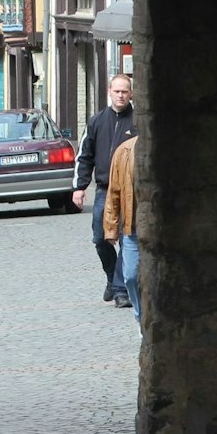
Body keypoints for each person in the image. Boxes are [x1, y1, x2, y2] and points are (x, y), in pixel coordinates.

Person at [73, 73, 137, 308]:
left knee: (126, 238)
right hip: (103, 190)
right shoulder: (96, 121)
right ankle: (112, 278)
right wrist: (79, 187)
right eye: (116, 91)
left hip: (129, 190)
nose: (120, 95)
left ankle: (120, 290)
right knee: (101, 238)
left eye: (124, 91)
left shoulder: (138, 122)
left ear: (131, 94)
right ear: (109, 92)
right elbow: (84, 156)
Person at [102, 135, 141, 323]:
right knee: (131, 277)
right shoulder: (124, 150)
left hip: (157, 231)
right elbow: (114, 192)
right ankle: (141, 318)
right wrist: (110, 227)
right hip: (132, 230)